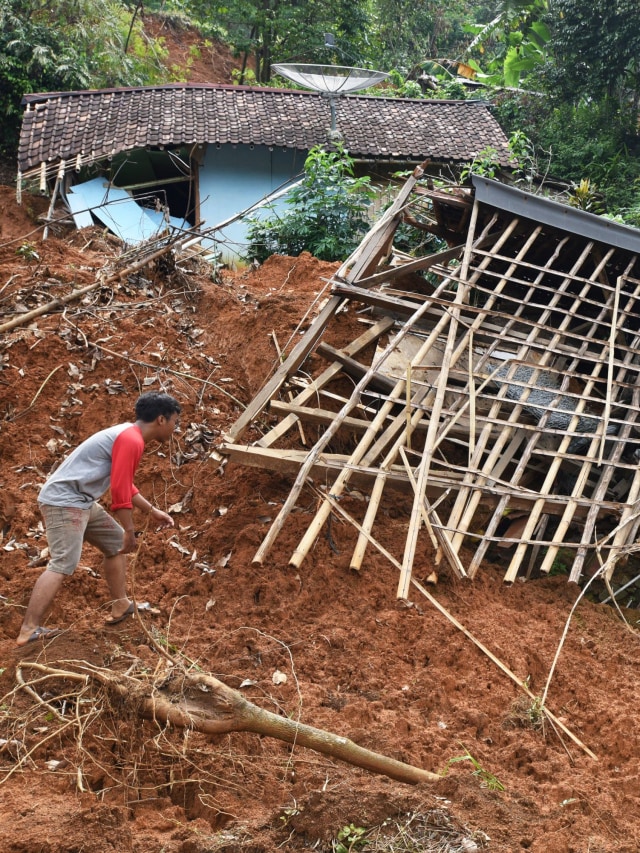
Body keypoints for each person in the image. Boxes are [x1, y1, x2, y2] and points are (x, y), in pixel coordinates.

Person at [16, 391, 181, 646]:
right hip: (64, 501)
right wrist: (129, 529)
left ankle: (120, 605)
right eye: (174, 422)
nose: (175, 428)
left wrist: (151, 511)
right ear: (161, 419)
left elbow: (125, 483)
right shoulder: (131, 440)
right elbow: (119, 491)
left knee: (115, 545)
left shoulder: (129, 435)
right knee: (63, 563)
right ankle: (28, 629)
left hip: (80, 501)